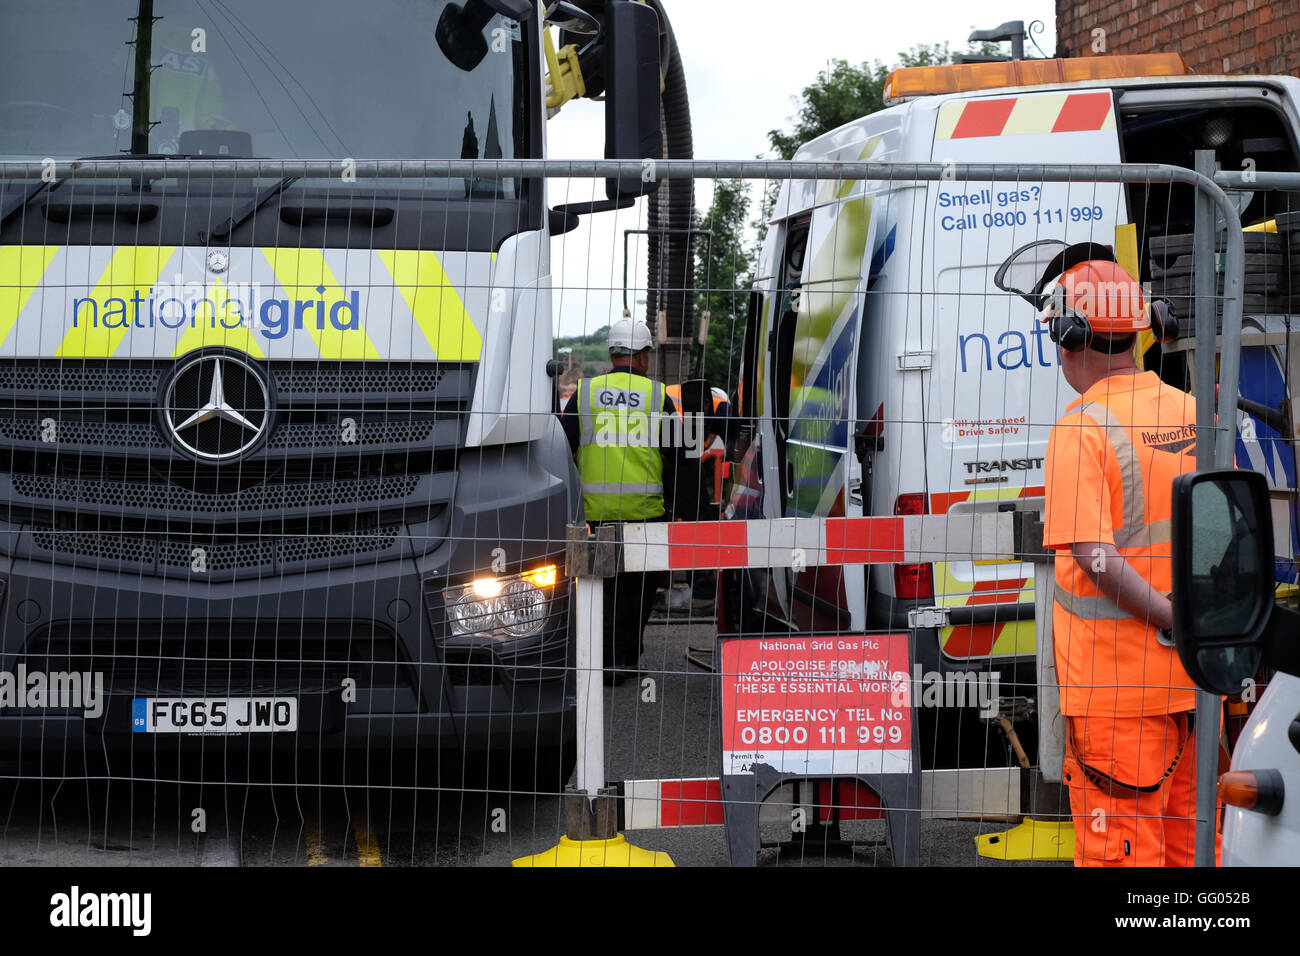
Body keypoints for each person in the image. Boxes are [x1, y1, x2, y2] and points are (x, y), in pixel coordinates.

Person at [1039, 255, 1210, 866]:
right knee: (1192, 856)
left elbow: (1094, 556)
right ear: (1143, 331)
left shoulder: (1081, 428)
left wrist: (1167, 617)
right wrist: (1193, 627)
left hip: (1117, 699)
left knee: (1125, 862)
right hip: (1196, 687)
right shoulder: (1192, 413)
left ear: (1069, 337)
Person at [561, 318, 700, 682]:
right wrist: (690, 510)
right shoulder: (658, 398)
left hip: (593, 517)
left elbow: (563, 449)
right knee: (636, 594)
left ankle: (596, 659)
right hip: (644, 517)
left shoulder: (585, 393)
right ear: (641, 356)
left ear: (612, 354)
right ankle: (623, 658)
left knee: (597, 591)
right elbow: (682, 455)